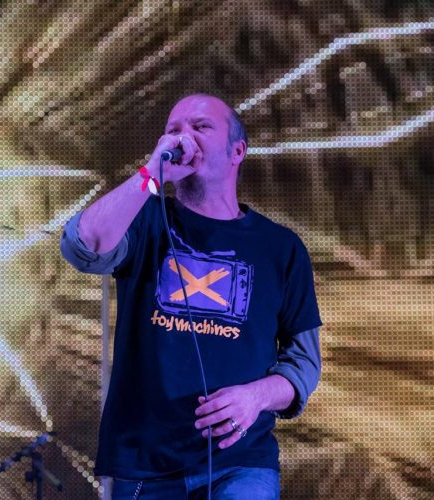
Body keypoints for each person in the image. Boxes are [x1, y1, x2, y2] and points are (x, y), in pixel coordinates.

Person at [61, 94, 322, 499]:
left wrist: (255, 397)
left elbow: (304, 364)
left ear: (237, 152)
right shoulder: (144, 219)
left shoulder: (281, 248)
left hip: (241, 462)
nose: (183, 137)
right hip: (144, 462)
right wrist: (151, 173)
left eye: (200, 127)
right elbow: (83, 246)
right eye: (173, 129)